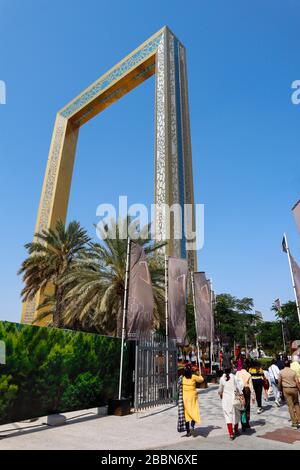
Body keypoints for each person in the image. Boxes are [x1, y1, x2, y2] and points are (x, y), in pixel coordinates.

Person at [177, 364, 204, 437]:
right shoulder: (193, 377)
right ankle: (192, 425)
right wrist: (199, 374)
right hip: (193, 397)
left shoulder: (182, 378)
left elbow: (178, 385)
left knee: (187, 414)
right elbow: (201, 380)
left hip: (185, 398)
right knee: (194, 411)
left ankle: (188, 431)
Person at [218, 367, 244, 440]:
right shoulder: (234, 377)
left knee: (227, 417)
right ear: (231, 370)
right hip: (235, 399)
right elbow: (239, 388)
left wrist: (220, 394)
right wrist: (242, 396)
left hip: (226, 400)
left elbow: (220, 390)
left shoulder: (222, 379)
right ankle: (236, 430)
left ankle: (231, 434)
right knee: (236, 415)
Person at [278, 359, 300, 429]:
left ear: (284, 365)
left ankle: (294, 423)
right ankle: (299, 420)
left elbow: (279, 382)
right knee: (296, 404)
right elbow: (297, 382)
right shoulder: (293, 372)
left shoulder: (281, 372)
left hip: (286, 389)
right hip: (294, 389)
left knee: (290, 406)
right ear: (289, 365)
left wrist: (279, 389)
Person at [236, 364, 255, 431]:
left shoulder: (237, 373)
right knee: (247, 407)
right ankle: (246, 422)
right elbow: (251, 386)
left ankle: (241, 423)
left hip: (239, 391)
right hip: (247, 391)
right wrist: (253, 396)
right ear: (246, 368)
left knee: (240, 407)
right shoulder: (248, 374)